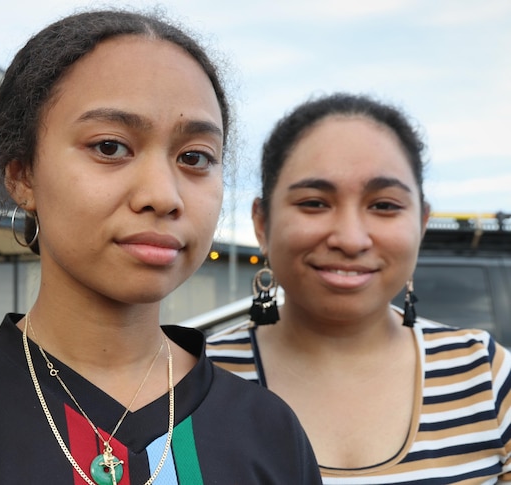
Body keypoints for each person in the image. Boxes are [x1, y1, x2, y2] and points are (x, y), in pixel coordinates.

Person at [0, 9, 320, 484]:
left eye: (195, 156)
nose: (163, 195)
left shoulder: (270, 434)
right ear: (22, 175)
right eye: (109, 147)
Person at [207, 93, 511, 483]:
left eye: (384, 206)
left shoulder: (484, 375)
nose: (351, 240)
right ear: (262, 223)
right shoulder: (193, 381)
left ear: (421, 224)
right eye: (315, 203)